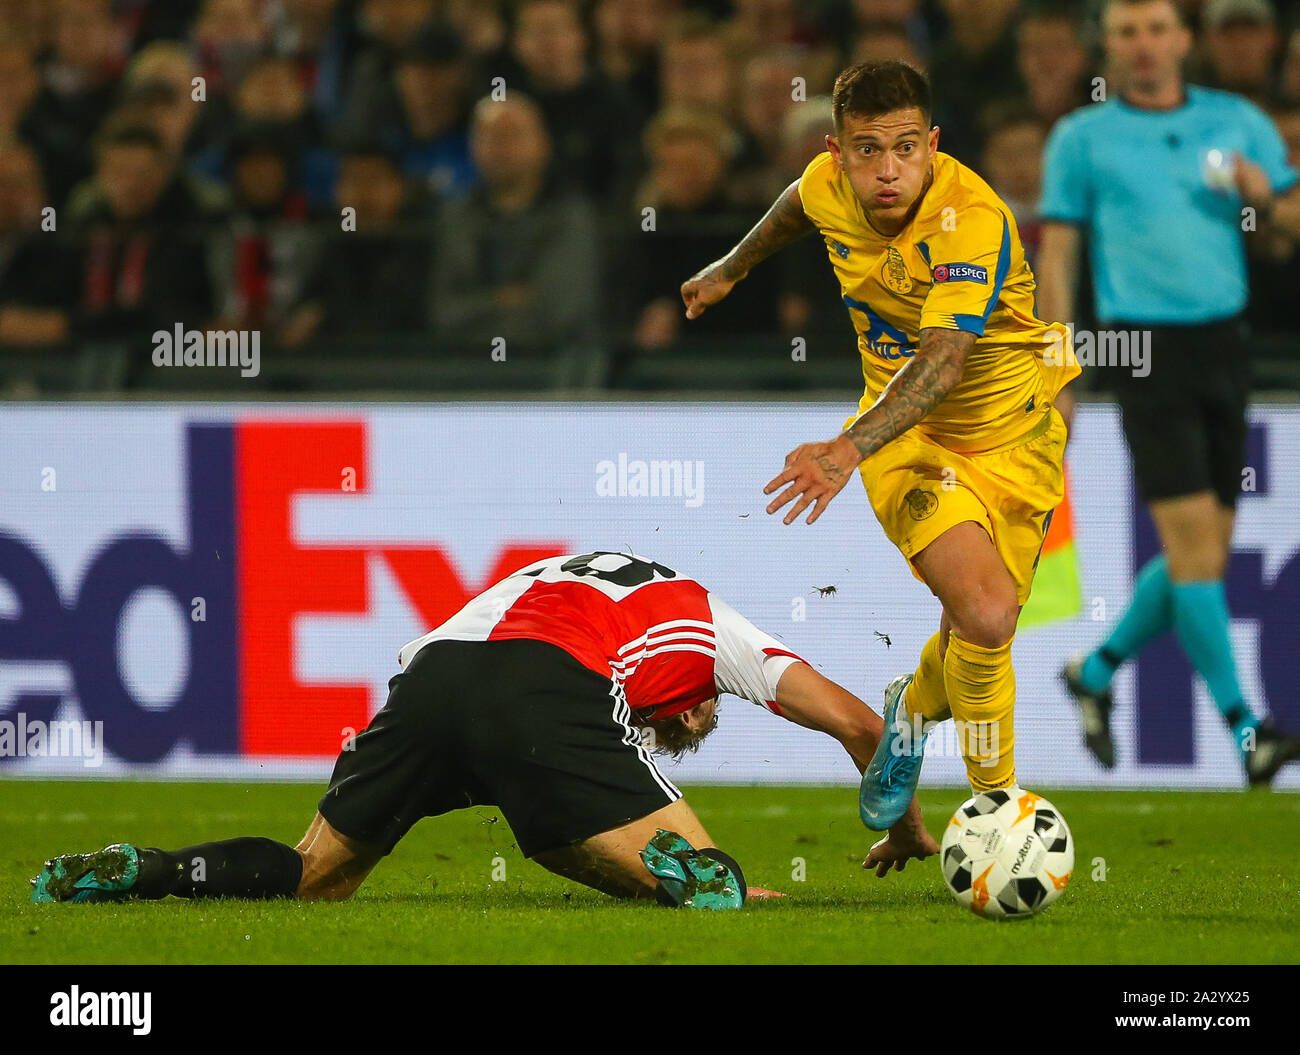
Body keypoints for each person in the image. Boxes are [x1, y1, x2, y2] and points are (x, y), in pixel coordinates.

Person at [31, 552, 937, 910]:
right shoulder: (714, 627)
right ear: (701, 693)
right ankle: (710, 879)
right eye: (692, 717)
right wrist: (901, 825)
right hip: (555, 686)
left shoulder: (554, 571)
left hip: (433, 675)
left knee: (315, 878)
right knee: (727, 894)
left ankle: (154, 870)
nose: (689, 719)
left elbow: (547, 826)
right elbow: (861, 723)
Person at [680, 61, 1078, 830]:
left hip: (1016, 436)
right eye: (867, 150)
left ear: (932, 144)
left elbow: (945, 357)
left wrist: (839, 451)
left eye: (904, 148)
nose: (887, 169)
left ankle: (910, 708)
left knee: (978, 627)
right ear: (838, 152)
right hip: (906, 435)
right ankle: (997, 808)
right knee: (989, 618)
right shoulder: (826, 184)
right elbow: (797, 204)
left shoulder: (971, 218)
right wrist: (732, 268)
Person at [1035, 0, 1300, 784]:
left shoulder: (1240, 121)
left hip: (1225, 344)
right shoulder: (1081, 137)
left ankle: (1094, 671)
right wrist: (1059, 364)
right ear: (1108, 47)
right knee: (1195, 552)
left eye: (1155, 29)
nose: (1142, 46)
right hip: (1141, 349)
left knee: (1201, 556)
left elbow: (1288, 224)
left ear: (1184, 40)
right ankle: (1248, 732)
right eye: (1125, 32)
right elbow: (1058, 256)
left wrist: (1264, 196)